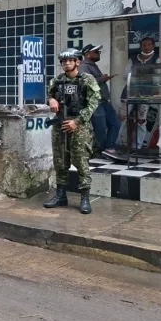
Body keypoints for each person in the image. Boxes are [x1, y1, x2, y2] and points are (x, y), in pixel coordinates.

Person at [43, 48, 101, 215]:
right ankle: (61, 195)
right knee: (60, 161)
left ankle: (84, 197)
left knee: (81, 161)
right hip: (60, 126)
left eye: (70, 60)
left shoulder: (87, 80)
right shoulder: (57, 80)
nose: (66, 63)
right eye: (63, 61)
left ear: (77, 62)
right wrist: (51, 99)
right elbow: (49, 95)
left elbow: (93, 103)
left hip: (79, 127)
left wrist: (77, 121)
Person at [79, 44, 122, 158]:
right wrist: (102, 79)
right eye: (96, 51)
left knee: (115, 123)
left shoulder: (93, 65)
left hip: (103, 102)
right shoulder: (84, 66)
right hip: (95, 103)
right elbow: (85, 83)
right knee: (100, 128)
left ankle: (109, 148)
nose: (98, 53)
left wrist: (103, 79)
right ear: (87, 54)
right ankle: (103, 150)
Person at [121, 37, 161, 150]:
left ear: (153, 46)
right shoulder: (133, 59)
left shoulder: (157, 59)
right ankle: (120, 144)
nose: (146, 47)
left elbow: (158, 78)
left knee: (141, 120)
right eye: (144, 45)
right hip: (128, 93)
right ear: (140, 46)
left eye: (149, 45)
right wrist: (144, 78)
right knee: (123, 118)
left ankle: (137, 146)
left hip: (147, 94)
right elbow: (126, 76)